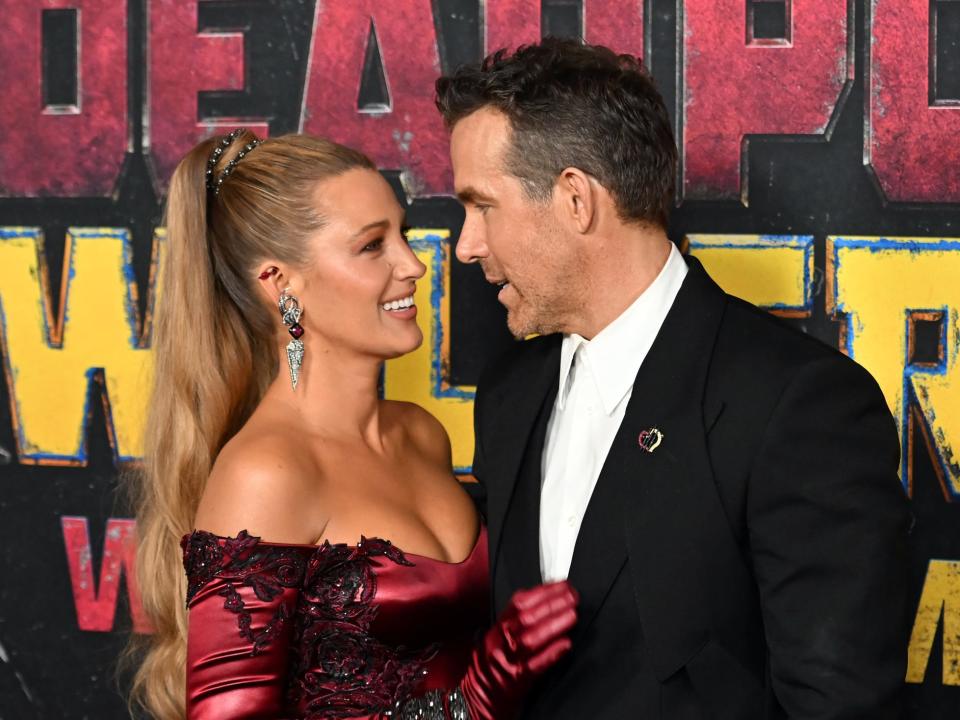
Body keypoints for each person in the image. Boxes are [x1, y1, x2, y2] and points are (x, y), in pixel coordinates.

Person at [436, 38, 911, 719]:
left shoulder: (796, 405)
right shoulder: (509, 393)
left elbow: (840, 707)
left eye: (483, 205)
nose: (466, 245)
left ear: (576, 200)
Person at [129, 129, 577, 720]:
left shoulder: (421, 435)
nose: (413, 265)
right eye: (372, 247)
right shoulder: (265, 474)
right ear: (280, 284)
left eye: (404, 235)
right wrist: (472, 701)